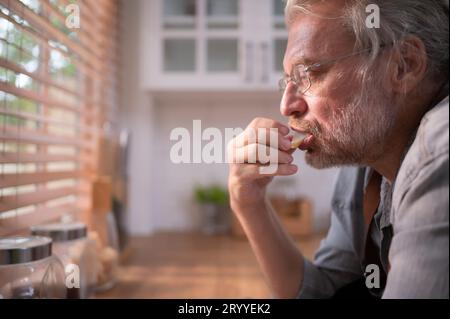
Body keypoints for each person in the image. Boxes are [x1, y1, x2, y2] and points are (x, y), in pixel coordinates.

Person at [227, 0, 449, 299]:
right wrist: (248, 202)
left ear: (403, 65)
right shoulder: (368, 152)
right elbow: (327, 291)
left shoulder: (439, 155)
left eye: (310, 74)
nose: (287, 105)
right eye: (290, 80)